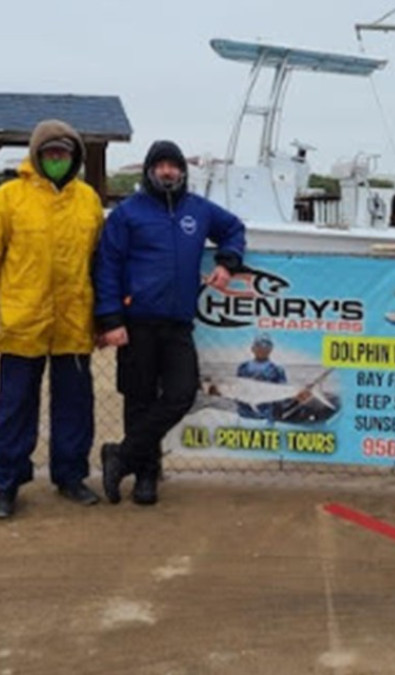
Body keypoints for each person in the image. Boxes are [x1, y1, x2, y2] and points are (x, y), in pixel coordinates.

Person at [0, 119, 106, 519]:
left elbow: (100, 264)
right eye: (50, 153)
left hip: (74, 325)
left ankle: (71, 476)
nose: (58, 160)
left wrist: (103, 319)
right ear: (36, 156)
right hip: (23, 324)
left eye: (64, 153)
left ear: (75, 156)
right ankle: (7, 483)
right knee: (15, 408)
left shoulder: (88, 201)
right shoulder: (9, 198)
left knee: (75, 408)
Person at [95, 140, 246, 506]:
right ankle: (146, 477)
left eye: (173, 166)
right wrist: (110, 319)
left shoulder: (199, 210)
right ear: (149, 171)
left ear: (182, 171)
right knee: (139, 400)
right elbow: (107, 267)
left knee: (182, 393)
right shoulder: (128, 214)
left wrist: (227, 263)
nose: (167, 171)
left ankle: (121, 455)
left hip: (178, 323)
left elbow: (234, 229)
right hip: (136, 322)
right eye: (160, 165)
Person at [234, 333, 311, 422]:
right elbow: (237, 390)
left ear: (271, 349)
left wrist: (298, 397)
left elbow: (283, 396)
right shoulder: (243, 367)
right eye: (259, 345)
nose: (262, 348)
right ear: (252, 348)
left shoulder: (277, 369)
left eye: (267, 345)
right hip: (242, 416)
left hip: (266, 419)